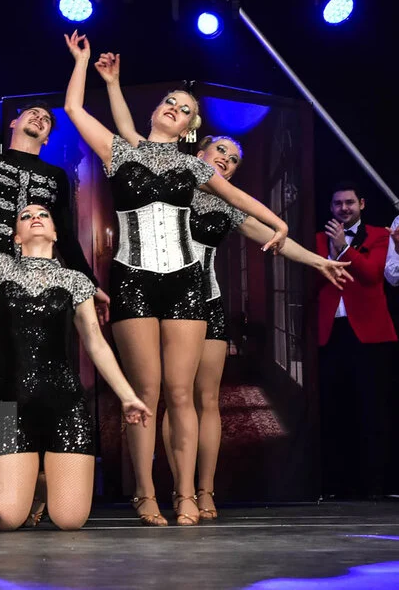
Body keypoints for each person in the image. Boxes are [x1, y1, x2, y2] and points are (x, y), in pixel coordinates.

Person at [95, 54, 352, 519]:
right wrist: (112, 84)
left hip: (202, 300)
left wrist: (320, 261)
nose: (227, 162)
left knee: (200, 397)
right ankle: (152, 489)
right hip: (149, 289)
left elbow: (272, 236)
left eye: (233, 160)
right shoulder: (160, 174)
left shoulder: (224, 206)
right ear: (199, 152)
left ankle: (201, 490)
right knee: (157, 391)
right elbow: (129, 133)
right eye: (221, 153)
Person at [62, 32, 288, 526]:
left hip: (186, 283)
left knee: (182, 393)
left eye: (185, 109)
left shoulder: (194, 166)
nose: (175, 109)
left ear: (190, 127)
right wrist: (81, 61)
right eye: (170, 102)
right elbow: (74, 109)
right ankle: (145, 494)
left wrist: (279, 224)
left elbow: (239, 199)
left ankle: (185, 494)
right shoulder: (119, 152)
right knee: (146, 392)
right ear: (155, 111)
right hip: (133, 279)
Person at [0, 165, 152, 531]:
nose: (35, 218)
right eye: (26, 216)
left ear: (55, 233)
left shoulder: (75, 281)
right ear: (16, 236)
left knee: (69, 520)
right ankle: (25, 484)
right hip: (14, 406)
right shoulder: (1, 268)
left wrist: (127, 396)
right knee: (6, 520)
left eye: (43, 214)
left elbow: (96, 344)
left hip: (65, 405)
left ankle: (41, 483)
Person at [316, 181, 397, 498]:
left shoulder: (379, 235)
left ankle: (375, 485)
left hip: (371, 335)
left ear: (361, 204)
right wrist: (332, 247)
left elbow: (374, 273)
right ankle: (336, 485)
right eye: (338, 203)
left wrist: (344, 248)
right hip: (330, 333)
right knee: (334, 411)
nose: (344, 208)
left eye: (349, 202)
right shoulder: (317, 239)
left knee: (373, 410)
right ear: (331, 207)